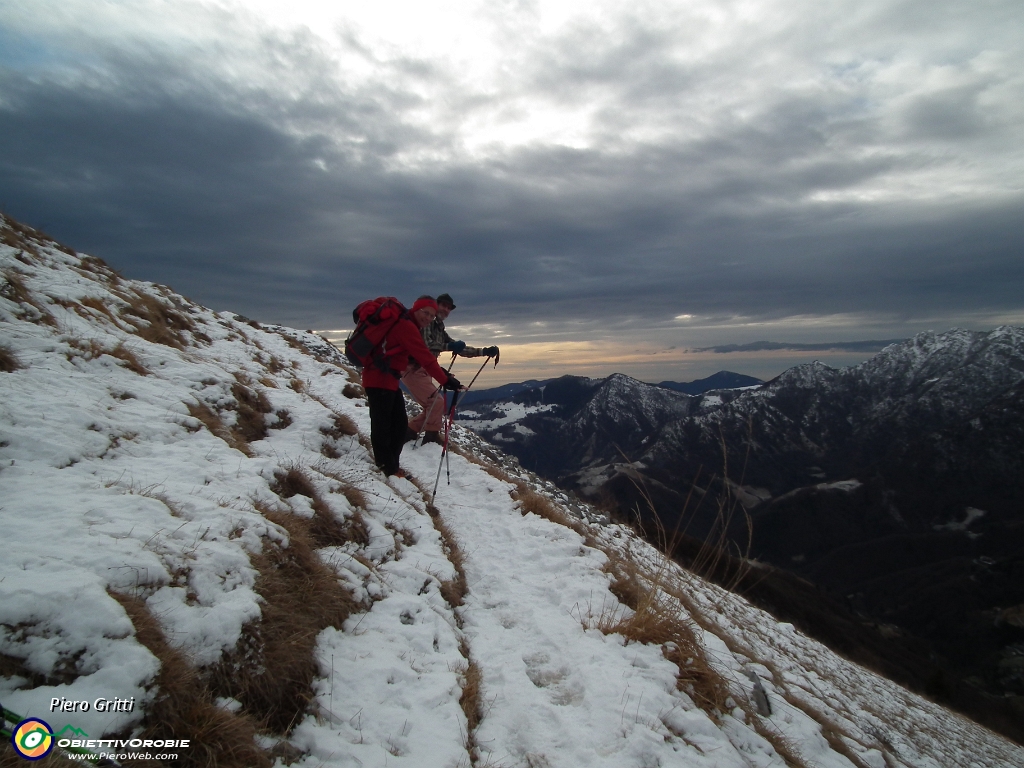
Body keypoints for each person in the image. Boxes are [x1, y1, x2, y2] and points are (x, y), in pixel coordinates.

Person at [362, 296, 461, 477]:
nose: (428, 318)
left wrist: (443, 375)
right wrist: (445, 380)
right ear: (416, 309)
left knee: (398, 425)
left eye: (432, 316)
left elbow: (421, 356)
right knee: (383, 425)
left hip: (388, 380)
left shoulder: (410, 325)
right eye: (426, 313)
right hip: (378, 379)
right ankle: (387, 467)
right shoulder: (406, 327)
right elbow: (424, 356)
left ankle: (391, 466)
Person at [402, 293, 499, 444]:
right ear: (436, 305)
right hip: (413, 368)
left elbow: (460, 349)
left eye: (449, 308)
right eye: (443, 306)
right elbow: (425, 345)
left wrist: (483, 351)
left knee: (433, 405)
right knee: (436, 402)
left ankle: (409, 433)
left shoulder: (440, 329)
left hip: (425, 369)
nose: (446, 310)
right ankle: (431, 438)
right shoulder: (428, 324)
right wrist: (450, 347)